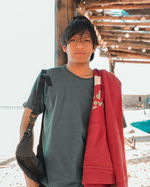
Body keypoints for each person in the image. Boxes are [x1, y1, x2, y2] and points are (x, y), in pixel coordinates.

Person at [19, 15, 127, 187]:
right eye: (73, 40)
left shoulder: (107, 84)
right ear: (64, 46)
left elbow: (115, 136)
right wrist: (28, 173)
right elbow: (27, 120)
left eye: (86, 40)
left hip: (94, 179)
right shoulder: (48, 78)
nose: (80, 45)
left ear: (94, 47)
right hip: (52, 177)